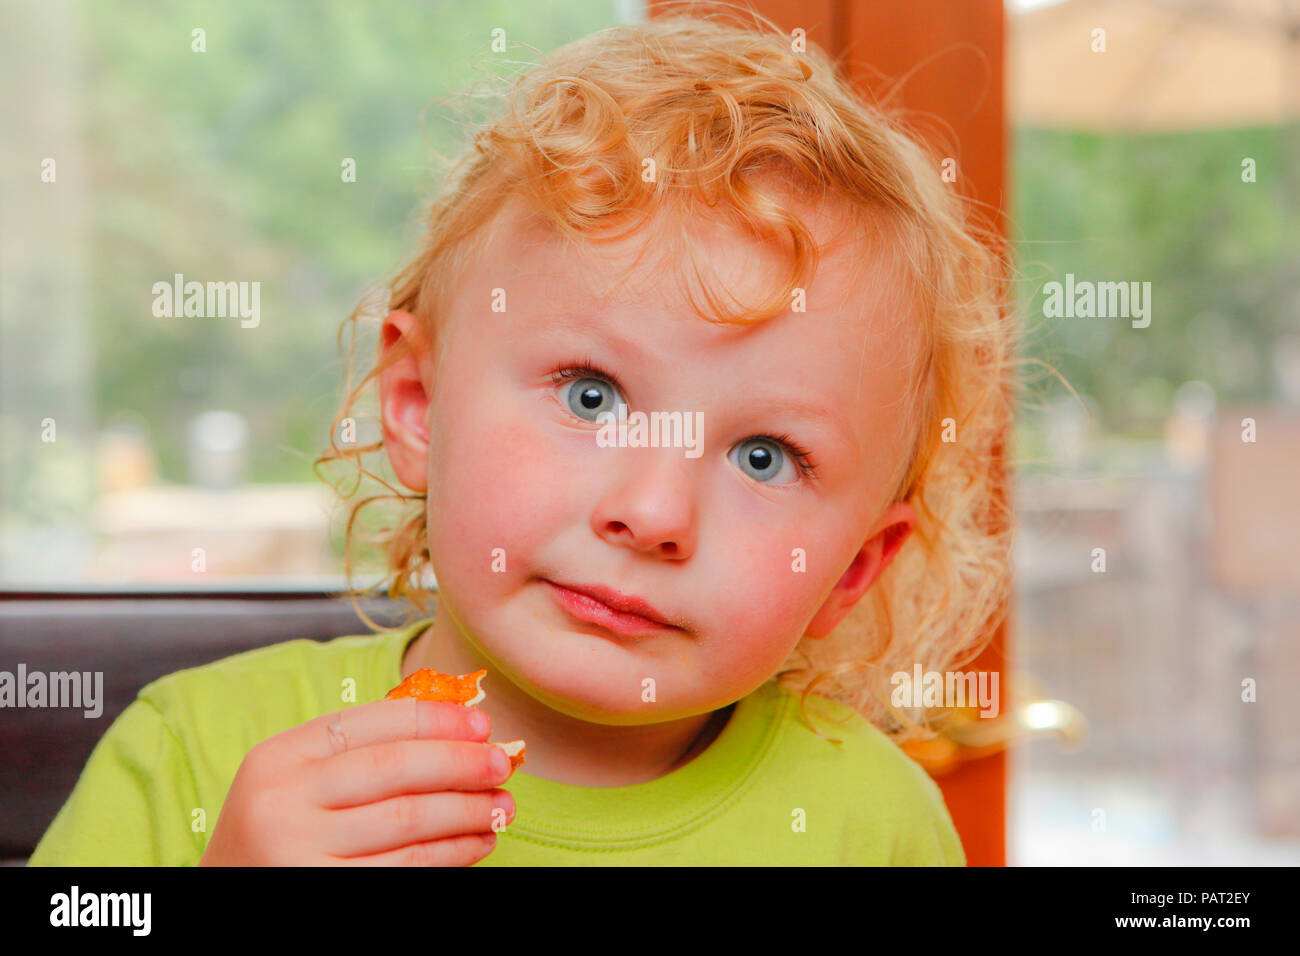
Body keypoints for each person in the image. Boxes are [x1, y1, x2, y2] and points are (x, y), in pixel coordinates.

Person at [31, 10, 1014, 866]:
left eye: (764, 456)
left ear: (852, 567)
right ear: (416, 402)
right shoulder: (192, 753)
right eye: (590, 396)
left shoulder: (875, 827)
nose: (652, 512)